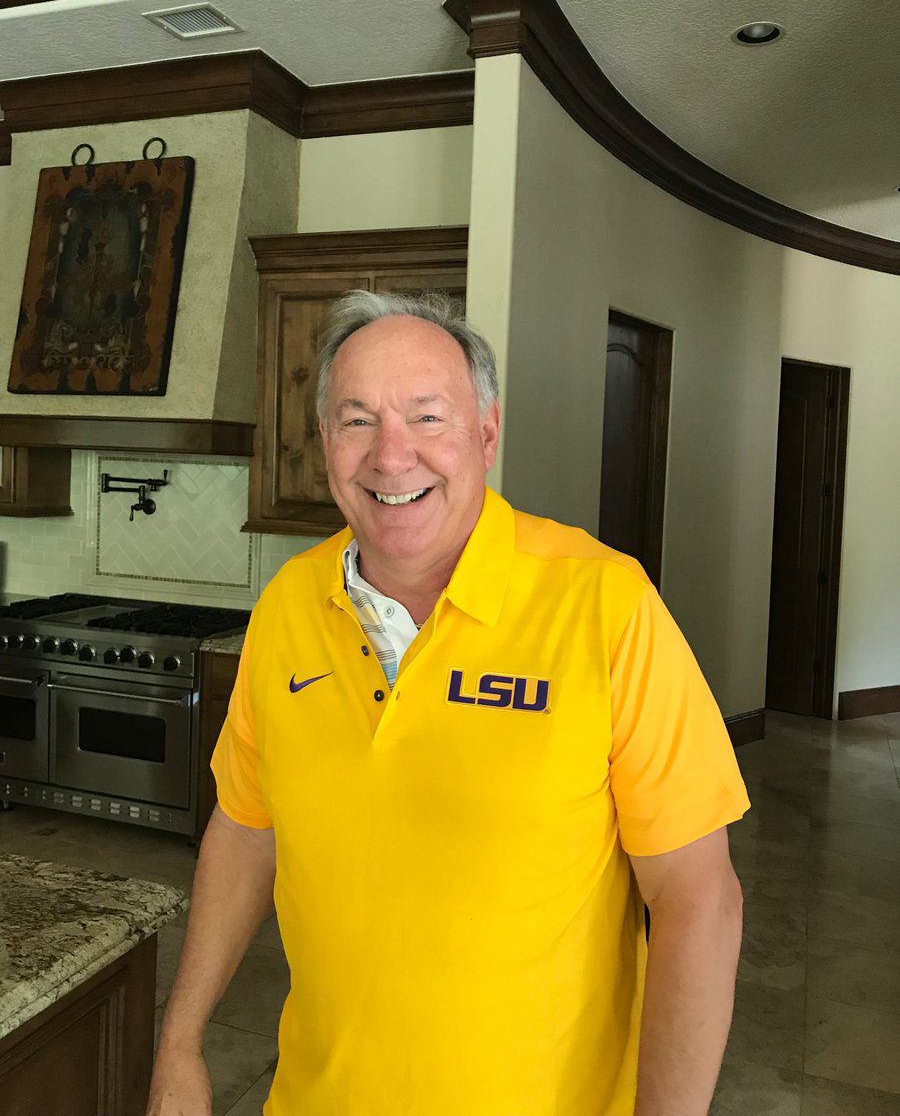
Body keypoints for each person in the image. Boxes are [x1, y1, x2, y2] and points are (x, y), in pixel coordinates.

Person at [148, 290, 749, 1116]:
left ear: (486, 435)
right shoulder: (288, 607)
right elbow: (247, 829)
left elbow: (697, 898)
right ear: (326, 443)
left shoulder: (605, 605)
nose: (392, 457)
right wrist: (180, 1042)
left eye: (427, 417)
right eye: (357, 420)